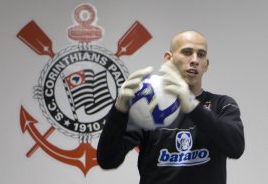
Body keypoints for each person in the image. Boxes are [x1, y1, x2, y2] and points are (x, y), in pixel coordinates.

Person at [97, 30, 245, 184]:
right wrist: (119, 110)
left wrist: (192, 107)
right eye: (187, 52)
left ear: (206, 64)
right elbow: (108, 160)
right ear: (169, 59)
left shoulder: (221, 104)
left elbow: (235, 148)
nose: (194, 60)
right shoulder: (147, 107)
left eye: (201, 55)